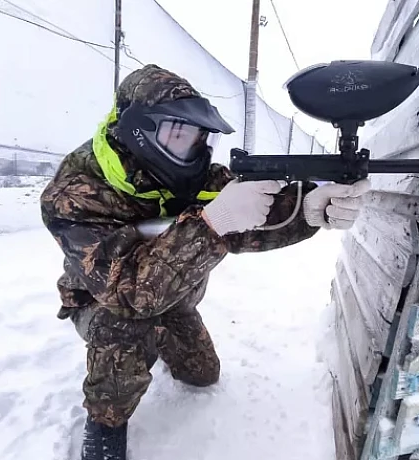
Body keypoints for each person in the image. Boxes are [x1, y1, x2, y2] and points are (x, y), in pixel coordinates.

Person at [39, 64, 370, 460]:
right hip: (104, 302)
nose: (190, 146)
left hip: (174, 295)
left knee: (202, 375)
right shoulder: (75, 192)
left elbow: (255, 217)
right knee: (125, 325)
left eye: (198, 135)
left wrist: (310, 210)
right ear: (138, 132)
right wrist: (212, 222)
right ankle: (105, 423)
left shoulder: (191, 174)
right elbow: (127, 292)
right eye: (177, 132)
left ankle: (157, 339)